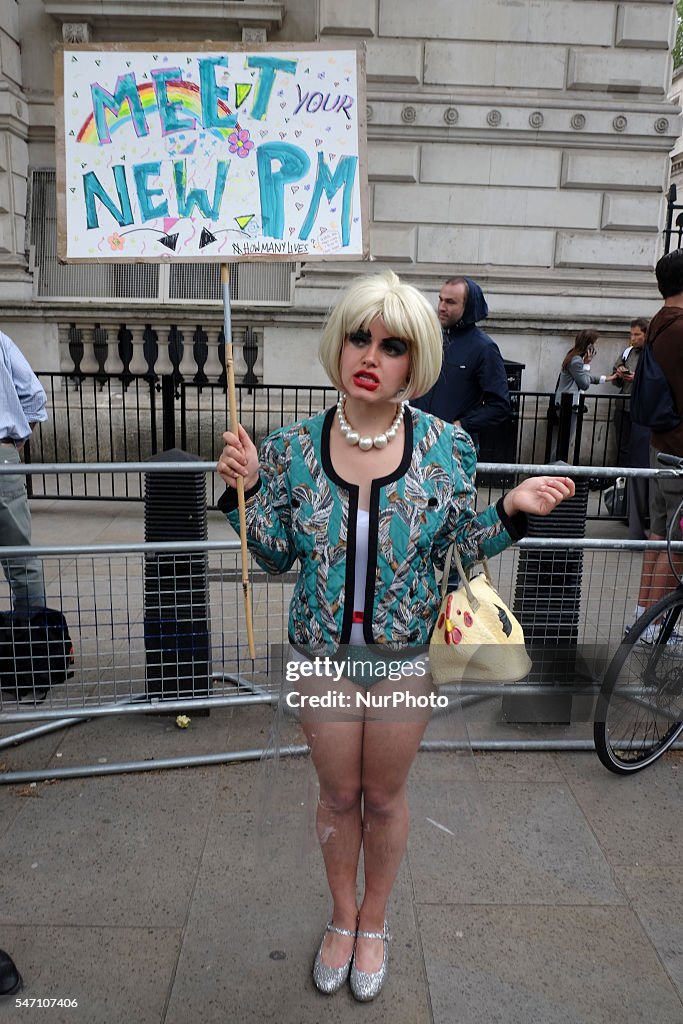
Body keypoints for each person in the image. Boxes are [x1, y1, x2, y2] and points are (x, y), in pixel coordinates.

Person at [216, 270, 574, 1002]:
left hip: (405, 657)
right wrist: (239, 490)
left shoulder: (448, 449)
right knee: (335, 795)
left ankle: (373, 921)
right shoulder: (288, 449)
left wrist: (509, 508)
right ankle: (341, 919)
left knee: (382, 797)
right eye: (358, 336)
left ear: (417, 361)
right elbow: (279, 553)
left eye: (392, 343)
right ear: (337, 342)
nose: (370, 354)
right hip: (319, 657)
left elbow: (456, 548)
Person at [630, 251, 683, 639]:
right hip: (681, 447)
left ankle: (640, 614)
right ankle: (657, 626)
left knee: (657, 533)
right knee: (676, 543)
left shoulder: (660, 324)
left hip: (660, 444)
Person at [412, 276, 511, 447]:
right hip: (416, 440)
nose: (441, 307)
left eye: (450, 302)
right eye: (440, 300)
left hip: (453, 447)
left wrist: (460, 425)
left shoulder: (484, 348)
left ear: (468, 307)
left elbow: (499, 405)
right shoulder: (431, 338)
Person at [0, 331, 48, 616]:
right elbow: (34, 396)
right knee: (21, 561)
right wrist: (13, 445)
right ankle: (35, 646)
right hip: (3, 456)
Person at [610, 318, 650, 538]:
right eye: (631, 334)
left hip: (639, 412)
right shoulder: (628, 353)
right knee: (622, 453)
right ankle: (621, 501)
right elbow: (615, 376)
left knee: (637, 458)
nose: (633, 338)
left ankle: (633, 512)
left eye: (637, 335)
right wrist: (619, 373)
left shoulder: (649, 354)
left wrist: (638, 378)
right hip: (622, 406)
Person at [551, 330, 617, 459]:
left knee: (563, 442)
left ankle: (554, 470)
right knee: (564, 443)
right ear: (588, 346)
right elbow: (584, 384)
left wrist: (608, 378)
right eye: (593, 344)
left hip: (568, 405)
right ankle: (552, 472)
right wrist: (587, 364)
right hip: (569, 405)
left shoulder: (574, 357)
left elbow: (586, 378)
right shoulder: (576, 361)